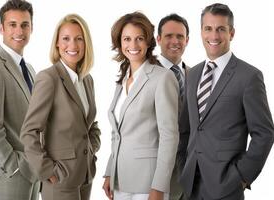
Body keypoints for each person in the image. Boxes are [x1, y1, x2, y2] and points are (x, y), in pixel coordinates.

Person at [178, 3, 274, 200]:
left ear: (232, 33)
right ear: (201, 32)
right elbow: (186, 128)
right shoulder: (193, 74)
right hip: (190, 186)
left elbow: (264, 133)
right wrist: (183, 164)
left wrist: (242, 177)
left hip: (226, 187)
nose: (214, 36)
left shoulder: (249, 76)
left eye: (221, 29)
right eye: (208, 29)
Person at [20, 13, 101, 200]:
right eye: (66, 38)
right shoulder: (49, 78)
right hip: (60, 180)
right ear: (57, 43)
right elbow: (29, 132)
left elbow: (90, 124)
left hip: (86, 175)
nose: (72, 45)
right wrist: (47, 171)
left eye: (79, 39)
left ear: (85, 43)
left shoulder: (87, 80)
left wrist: (92, 149)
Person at [102, 12, 179, 200]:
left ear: (148, 42)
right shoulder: (122, 79)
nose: (133, 45)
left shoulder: (162, 77)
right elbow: (118, 134)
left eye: (139, 39)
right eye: (127, 39)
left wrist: (159, 186)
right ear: (120, 43)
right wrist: (110, 171)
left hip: (148, 183)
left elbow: (169, 136)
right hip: (121, 180)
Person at [0, 0, 39, 199]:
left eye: (24, 25)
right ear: (1, 28)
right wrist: (14, 166)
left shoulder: (29, 69)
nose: (19, 31)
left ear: (31, 28)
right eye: (12, 25)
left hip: (34, 170)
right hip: (12, 174)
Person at [156, 13, 190, 200]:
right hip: (158, 173)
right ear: (158, 39)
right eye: (169, 36)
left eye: (180, 36)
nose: (175, 41)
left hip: (191, 174)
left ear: (187, 40)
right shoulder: (146, 73)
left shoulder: (197, 75)